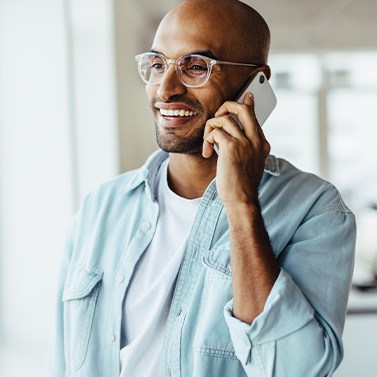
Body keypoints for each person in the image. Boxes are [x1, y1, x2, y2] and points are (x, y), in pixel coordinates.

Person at [49, 0, 356, 376]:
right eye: (158, 64)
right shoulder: (102, 206)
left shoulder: (315, 210)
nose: (165, 89)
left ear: (255, 83)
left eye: (195, 67)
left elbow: (295, 370)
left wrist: (242, 206)